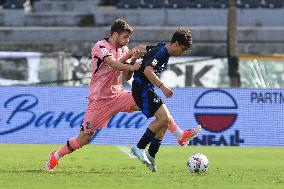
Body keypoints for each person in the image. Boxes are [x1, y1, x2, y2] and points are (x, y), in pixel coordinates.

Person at [44, 19, 197, 172]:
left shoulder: (124, 50)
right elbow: (113, 64)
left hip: (118, 95)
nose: (127, 41)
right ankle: (56, 156)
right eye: (125, 37)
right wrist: (131, 62)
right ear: (115, 34)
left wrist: (134, 58)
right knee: (85, 137)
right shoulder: (101, 46)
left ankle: (177, 136)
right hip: (99, 100)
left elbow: (127, 76)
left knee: (159, 109)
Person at [131, 28, 201, 172]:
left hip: (145, 88)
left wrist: (137, 51)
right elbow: (147, 71)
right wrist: (163, 87)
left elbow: (144, 49)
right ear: (175, 43)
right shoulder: (162, 52)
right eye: (181, 49)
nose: (181, 53)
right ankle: (139, 147)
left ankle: (152, 154)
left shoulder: (162, 48)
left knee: (166, 120)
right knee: (163, 119)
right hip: (142, 88)